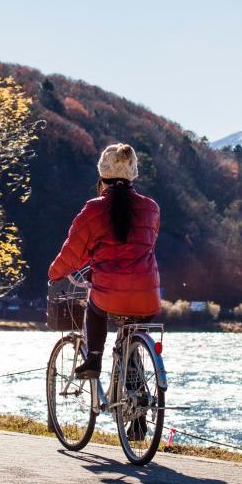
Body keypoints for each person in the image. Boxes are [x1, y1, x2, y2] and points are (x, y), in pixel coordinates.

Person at [48, 143, 161, 380]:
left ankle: (94, 360)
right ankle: (134, 389)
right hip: (148, 296)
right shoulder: (151, 208)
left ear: (102, 176)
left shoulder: (94, 209)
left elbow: (73, 251)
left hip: (109, 294)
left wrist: (55, 273)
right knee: (130, 336)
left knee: (95, 307)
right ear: (133, 175)